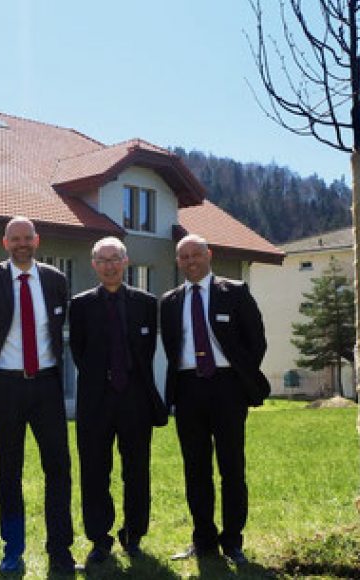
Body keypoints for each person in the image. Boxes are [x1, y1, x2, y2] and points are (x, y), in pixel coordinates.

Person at [160, 234, 271, 566]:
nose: (191, 261)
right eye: (184, 257)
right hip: (188, 388)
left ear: (209, 255)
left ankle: (232, 541)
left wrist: (239, 377)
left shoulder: (234, 292)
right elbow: (171, 346)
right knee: (195, 469)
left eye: (196, 254)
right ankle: (203, 540)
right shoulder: (169, 301)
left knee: (231, 467)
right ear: (177, 262)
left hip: (227, 388)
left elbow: (257, 341)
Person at [0, 216, 77, 575]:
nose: (22, 243)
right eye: (15, 238)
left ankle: (61, 548)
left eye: (27, 238)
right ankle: (12, 547)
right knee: (9, 471)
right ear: (5, 243)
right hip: (6, 386)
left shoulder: (55, 279)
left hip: (47, 384)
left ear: (37, 241)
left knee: (59, 468)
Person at [69, 237, 168, 566]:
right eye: (102, 260)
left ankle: (134, 534)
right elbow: (79, 352)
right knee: (95, 472)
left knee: (136, 470)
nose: (109, 265)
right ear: (93, 264)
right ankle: (100, 539)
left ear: (126, 261)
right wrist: (104, 379)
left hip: (135, 399)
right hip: (95, 400)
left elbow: (146, 350)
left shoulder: (145, 302)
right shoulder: (80, 305)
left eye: (115, 259)